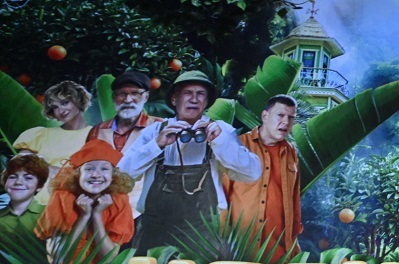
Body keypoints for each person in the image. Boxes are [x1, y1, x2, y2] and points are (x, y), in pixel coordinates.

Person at [117, 70, 261, 251]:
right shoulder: (154, 131)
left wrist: (220, 141)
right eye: (187, 93)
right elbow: (121, 176)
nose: (194, 99)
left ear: (206, 102)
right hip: (155, 230)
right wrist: (156, 145)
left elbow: (252, 173)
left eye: (200, 94)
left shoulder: (220, 130)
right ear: (174, 99)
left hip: (201, 231)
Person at [222, 94, 302, 261]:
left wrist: (293, 242)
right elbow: (219, 196)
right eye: (280, 115)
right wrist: (222, 243)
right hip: (241, 250)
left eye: (291, 117)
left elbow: (294, 198)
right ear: (265, 116)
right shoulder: (237, 146)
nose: (286, 122)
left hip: (280, 252)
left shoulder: (291, 152)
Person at [35, 140, 135, 264]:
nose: (96, 175)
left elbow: (109, 259)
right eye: (89, 169)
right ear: (77, 174)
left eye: (104, 169)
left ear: (113, 176)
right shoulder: (61, 198)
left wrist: (96, 216)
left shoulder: (119, 201)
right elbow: (57, 260)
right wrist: (84, 216)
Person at [86, 70, 161, 215]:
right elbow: (87, 169)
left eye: (135, 93)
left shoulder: (159, 127)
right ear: (114, 98)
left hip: (146, 210)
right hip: (104, 209)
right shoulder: (98, 131)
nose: (128, 100)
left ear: (146, 96)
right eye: (122, 94)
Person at [13, 80, 92, 204]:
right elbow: (19, 163)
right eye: (55, 107)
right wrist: (48, 168)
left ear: (78, 101)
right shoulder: (41, 134)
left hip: (78, 205)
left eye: (65, 103)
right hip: (37, 204)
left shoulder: (96, 135)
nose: (61, 110)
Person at [0, 153, 49, 237]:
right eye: (13, 177)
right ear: (5, 182)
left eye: (28, 178)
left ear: (39, 186)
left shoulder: (49, 214)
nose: (18, 182)